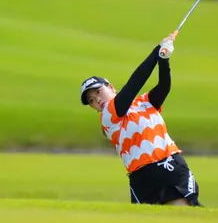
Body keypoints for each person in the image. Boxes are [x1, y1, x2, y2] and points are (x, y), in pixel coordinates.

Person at [79, 34, 203, 207]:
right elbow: (136, 81)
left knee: (186, 213)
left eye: (98, 92)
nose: (97, 100)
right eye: (91, 100)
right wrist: (157, 51)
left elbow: (163, 88)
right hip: (144, 176)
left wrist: (164, 60)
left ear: (111, 87)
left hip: (170, 165)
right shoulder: (108, 116)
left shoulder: (143, 102)